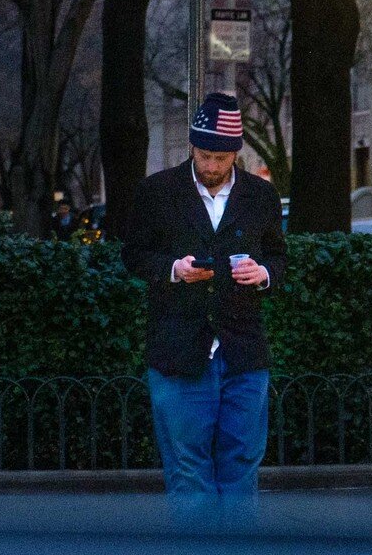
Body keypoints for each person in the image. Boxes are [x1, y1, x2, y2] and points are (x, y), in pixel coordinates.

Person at [121, 92, 286, 509]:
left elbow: (278, 256)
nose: (211, 166)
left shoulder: (260, 196)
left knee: (242, 466)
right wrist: (174, 269)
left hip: (243, 350)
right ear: (192, 146)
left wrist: (263, 274)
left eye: (220, 158)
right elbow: (134, 254)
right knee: (187, 470)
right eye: (204, 155)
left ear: (236, 153)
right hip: (179, 349)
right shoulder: (158, 192)